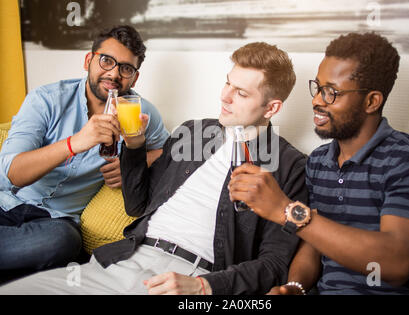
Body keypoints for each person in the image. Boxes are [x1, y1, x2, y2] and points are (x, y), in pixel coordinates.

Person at [0, 41, 308, 295]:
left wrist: (204, 287)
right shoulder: (195, 133)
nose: (224, 97)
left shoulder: (289, 165)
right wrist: (134, 146)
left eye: (240, 93)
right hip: (122, 260)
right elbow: (137, 205)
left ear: (272, 107)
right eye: (228, 83)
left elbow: (276, 263)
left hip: (191, 277)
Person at [228, 32, 409, 294]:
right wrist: (295, 287)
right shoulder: (319, 163)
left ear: (371, 102)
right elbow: (315, 241)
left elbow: (395, 262)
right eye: (318, 87)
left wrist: (284, 209)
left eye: (331, 92)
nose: (317, 100)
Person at [0, 25, 169, 273]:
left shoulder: (140, 112)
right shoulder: (45, 99)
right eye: (106, 61)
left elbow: (174, 152)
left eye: (125, 68)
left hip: (54, 223)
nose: (114, 74)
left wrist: (137, 163)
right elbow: (12, 173)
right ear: (88, 60)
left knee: (64, 243)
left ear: (134, 77)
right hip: (5, 203)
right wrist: (75, 142)